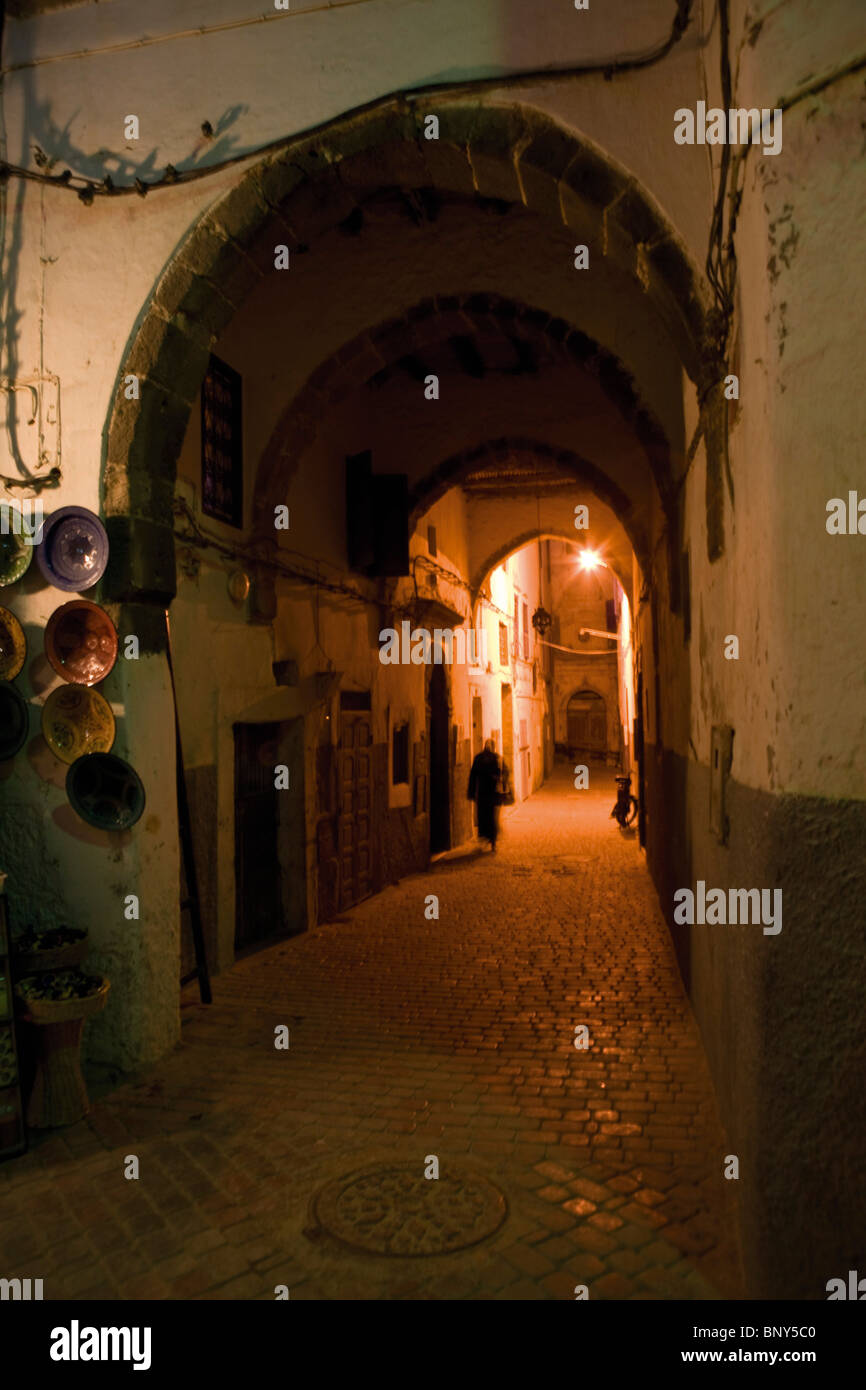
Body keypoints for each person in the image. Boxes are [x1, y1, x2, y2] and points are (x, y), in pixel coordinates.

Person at [467, 738, 507, 852]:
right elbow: (474, 776)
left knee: (487, 817)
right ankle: (491, 840)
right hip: (490, 793)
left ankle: (489, 839)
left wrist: (472, 792)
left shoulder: (480, 758)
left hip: (486, 793)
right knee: (490, 817)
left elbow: (473, 776)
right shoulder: (495, 758)